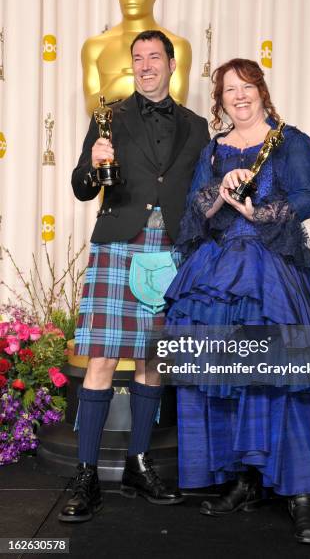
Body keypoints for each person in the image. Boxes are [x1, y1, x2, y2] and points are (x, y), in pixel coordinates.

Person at [165, 59, 310, 544]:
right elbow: (193, 210)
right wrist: (219, 192)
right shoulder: (213, 151)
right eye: (229, 90)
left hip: (273, 274)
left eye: (246, 86)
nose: (239, 96)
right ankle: (245, 481)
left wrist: (261, 209)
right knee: (227, 378)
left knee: (287, 380)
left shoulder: (292, 142)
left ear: (261, 90)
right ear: (221, 99)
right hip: (219, 276)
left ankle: (303, 495)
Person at [58, 30, 209, 523]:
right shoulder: (110, 117)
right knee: (101, 356)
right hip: (119, 241)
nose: (146, 65)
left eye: (154, 57)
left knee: (152, 360)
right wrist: (93, 165)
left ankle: (139, 466)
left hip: (172, 250)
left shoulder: (197, 125)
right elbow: (83, 186)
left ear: (171, 64)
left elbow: (200, 192)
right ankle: (85, 475)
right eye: (138, 58)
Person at [82, 0, 191, 114]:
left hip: (159, 136)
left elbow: (178, 106)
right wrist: (120, 85)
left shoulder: (178, 46)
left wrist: (129, 87)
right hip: (110, 137)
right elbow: (90, 108)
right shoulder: (95, 47)